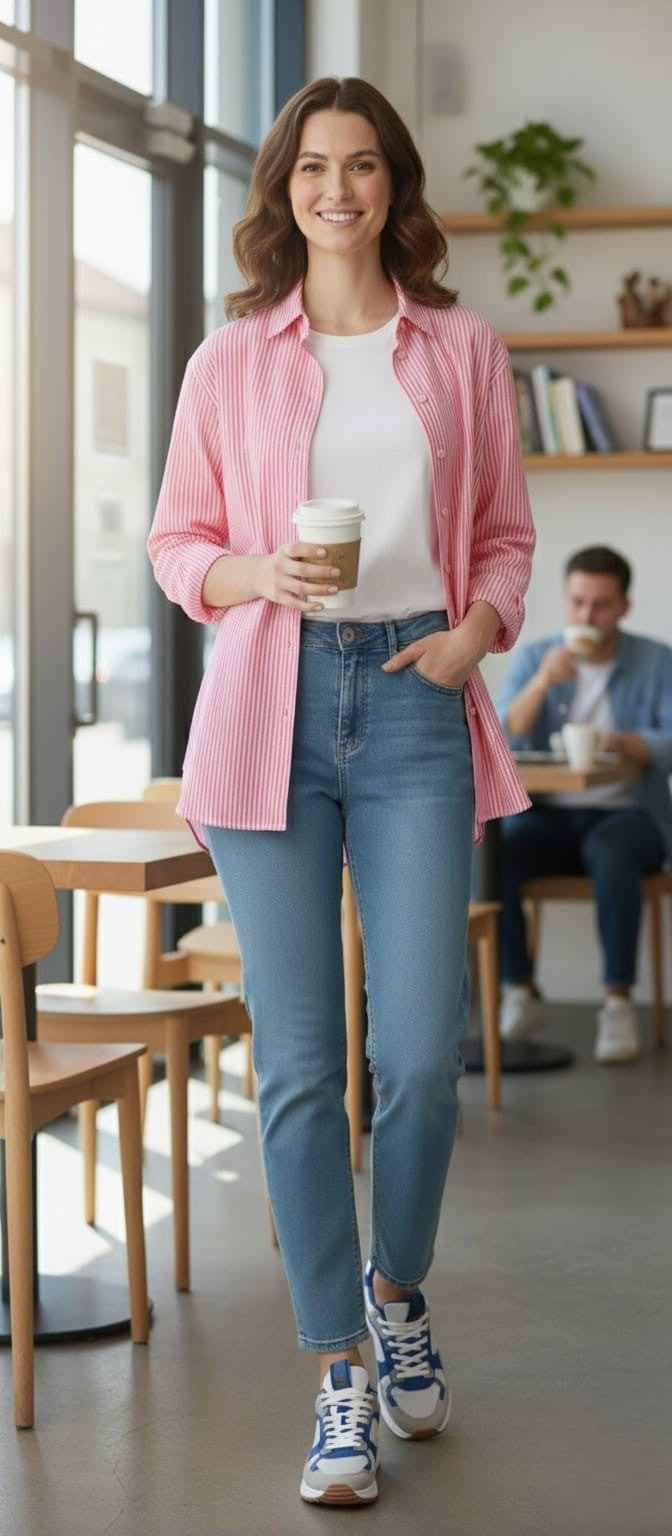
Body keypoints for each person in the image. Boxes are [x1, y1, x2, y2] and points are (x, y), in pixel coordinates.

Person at [148, 76, 534, 1508]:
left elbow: (505, 535)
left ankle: (398, 1289)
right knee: (302, 1067)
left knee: (421, 1054)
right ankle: (338, 1377)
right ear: (283, 187)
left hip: (420, 695)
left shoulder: (463, 348)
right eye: (312, 166)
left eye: (362, 165)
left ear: (394, 185)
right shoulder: (229, 361)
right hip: (271, 708)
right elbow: (176, 544)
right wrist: (255, 571)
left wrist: (478, 631)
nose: (337, 189)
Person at [496, 545, 672, 1063]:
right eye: (577, 602)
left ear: (624, 607)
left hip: (629, 813)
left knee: (612, 851)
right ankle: (518, 987)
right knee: (495, 850)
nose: (586, 616)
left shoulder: (655, 661)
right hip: (551, 814)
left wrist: (624, 743)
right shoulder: (539, 657)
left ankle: (617, 1003)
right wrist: (542, 683)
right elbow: (502, 736)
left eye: (600, 605)